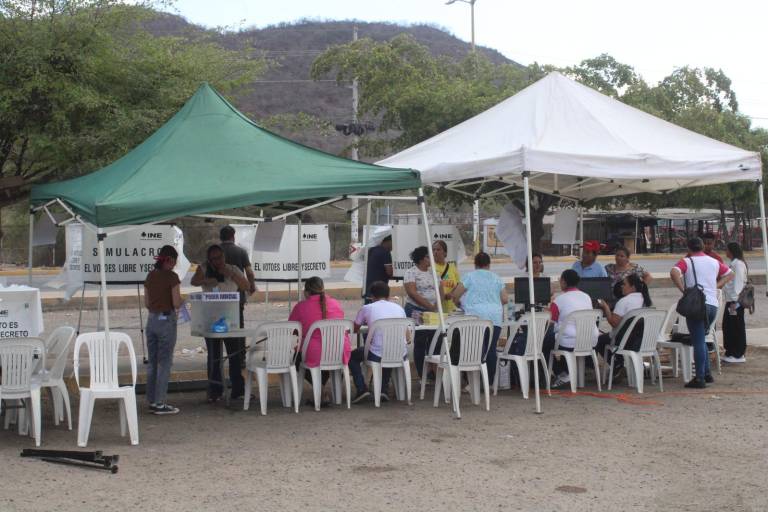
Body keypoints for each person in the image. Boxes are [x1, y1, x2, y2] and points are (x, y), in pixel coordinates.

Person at [670, 237, 733, 388]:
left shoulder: (687, 261)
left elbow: (673, 272)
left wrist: (684, 290)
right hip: (712, 303)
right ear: (703, 246)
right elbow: (730, 274)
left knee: (697, 340)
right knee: (702, 338)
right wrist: (717, 286)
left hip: (697, 303)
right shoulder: (713, 261)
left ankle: (699, 378)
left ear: (688, 248)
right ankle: (706, 373)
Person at [191, 244, 250, 402]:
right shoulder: (204, 268)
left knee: (235, 355)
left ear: (224, 256)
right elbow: (194, 281)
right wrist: (208, 279)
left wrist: (232, 275)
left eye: (219, 258)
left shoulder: (234, 269)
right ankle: (215, 391)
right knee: (214, 356)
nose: (217, 262)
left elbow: (246, 286)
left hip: (231, 318)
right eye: (213, 259)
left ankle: (238, 389)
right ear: (209, 260)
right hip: (211, 318)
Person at [288, 276, 351, 406]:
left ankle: (321, 392)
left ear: (306, 292)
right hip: (339, 352)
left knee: (296, 359)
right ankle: (325, 392)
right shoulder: (335, 303)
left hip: (314, 353)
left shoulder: (301, 306)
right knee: (323, 358)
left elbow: (292, 329)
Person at [450, 252, 508, 384]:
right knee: (491, 349)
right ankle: (489, 382)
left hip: (475, 318)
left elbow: (456, 295)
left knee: (473, 349)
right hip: (494, 319)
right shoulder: (497, 278)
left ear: (475, 264)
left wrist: (459, 303)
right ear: (489, 264)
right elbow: (504, 299)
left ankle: (474, 382)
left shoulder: (469, 277)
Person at [348, 281, 407, 404]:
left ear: (372, 296)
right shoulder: (399, 308)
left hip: (377, 354)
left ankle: (361, 388)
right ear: (388, 295)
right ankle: (383, 389)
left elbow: (355, 329)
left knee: (352, 356)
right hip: (400, 353)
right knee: (389, 349)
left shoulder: (367, 308)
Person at [143, 245, 182, 415]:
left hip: (151, 319)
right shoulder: (172, 277)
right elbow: (176, 302)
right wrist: (183, 301)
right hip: (166, 320)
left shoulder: (150, 275)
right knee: (164, 362)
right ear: (171, 260)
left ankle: (152, 399)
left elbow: (146, 303)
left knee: (152, 362)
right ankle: (160, 402)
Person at [544, 269, 597, 387]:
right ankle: (568, 372)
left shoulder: (559, 300)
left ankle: (562, 374)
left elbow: (551, 322)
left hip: (569, 341)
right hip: (589, 340)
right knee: (556, 337)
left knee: (543, 343)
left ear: (563, 281)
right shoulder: (586, 296)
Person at [594, 273, 653, 373]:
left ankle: (617, 365)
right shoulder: (647, 300)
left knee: (599, 340)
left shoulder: (624, 301)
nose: (621, 286)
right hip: (644, 340)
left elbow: (614, 323)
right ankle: (621, 365)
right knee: (608, 337)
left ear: (632, 287)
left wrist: (606, 308)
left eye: (624, 284)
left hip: (626, 341)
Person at [219, 225, 256, 370]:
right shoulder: (241, 251)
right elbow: (249, 272)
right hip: (237, 296)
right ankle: (240, 358)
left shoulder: (215, 252)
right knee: (238, 327)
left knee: (219, 328)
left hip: (218, 298)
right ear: (233, 236)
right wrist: (251, 286)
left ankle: (218, 358)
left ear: (221, 236)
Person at [403, 246, 443, 379]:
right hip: (416, 310)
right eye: (428, 256)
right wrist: (429, 306)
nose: (431, 258)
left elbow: (440, 290)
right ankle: (422, 374)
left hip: (433, 311)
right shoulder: (411, 272)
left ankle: (434, 372)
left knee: (435, 341)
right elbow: (412, 292)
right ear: (421, 258)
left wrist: (437, 306)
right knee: (420, 341)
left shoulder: (434, 272)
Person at [722, 242, 748, 363]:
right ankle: (732, 351)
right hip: (731, 300)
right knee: (729, 326)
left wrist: (735, 303)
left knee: (735, 326)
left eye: (726, 249)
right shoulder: (734, 264)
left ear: (731, 251)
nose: (725, 252)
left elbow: (738, 285)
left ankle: (737, 353)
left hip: (734, 302)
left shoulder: (738, 264)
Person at [432, 239, 460, 315]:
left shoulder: (452, 267)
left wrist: (452, 294)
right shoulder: (430, 267)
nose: (435, 252)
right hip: (436, 309)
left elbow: (458, 285)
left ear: (445, 253)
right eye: (433, 250)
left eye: (438, 249)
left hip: (451, 309)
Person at [365, 235, 393, 303]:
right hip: (379, 290)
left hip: (368, 287)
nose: (393, 246)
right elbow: (389, 272)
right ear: (389, 242)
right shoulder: (386, 252)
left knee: (369, 309)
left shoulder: (372, 250)